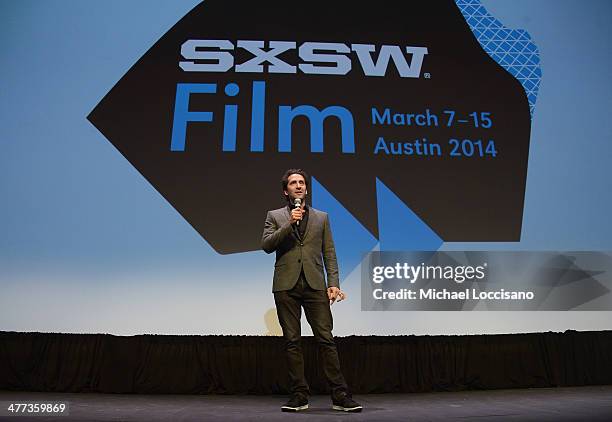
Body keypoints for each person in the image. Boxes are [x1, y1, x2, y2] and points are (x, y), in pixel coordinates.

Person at [261, 169, 363, 413]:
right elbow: (266, 245)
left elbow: (329, 252)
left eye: (302, 183)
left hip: (316, 284)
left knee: (326, 340)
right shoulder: (275, 216)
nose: (298, 186)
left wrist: (334, 283)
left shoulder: (322, 217)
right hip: (286, 286)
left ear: (306, 189)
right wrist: (289, 223)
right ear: (286, 191)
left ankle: (340, 395)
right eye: (293, 183)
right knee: (292, 342)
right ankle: (299, 395)